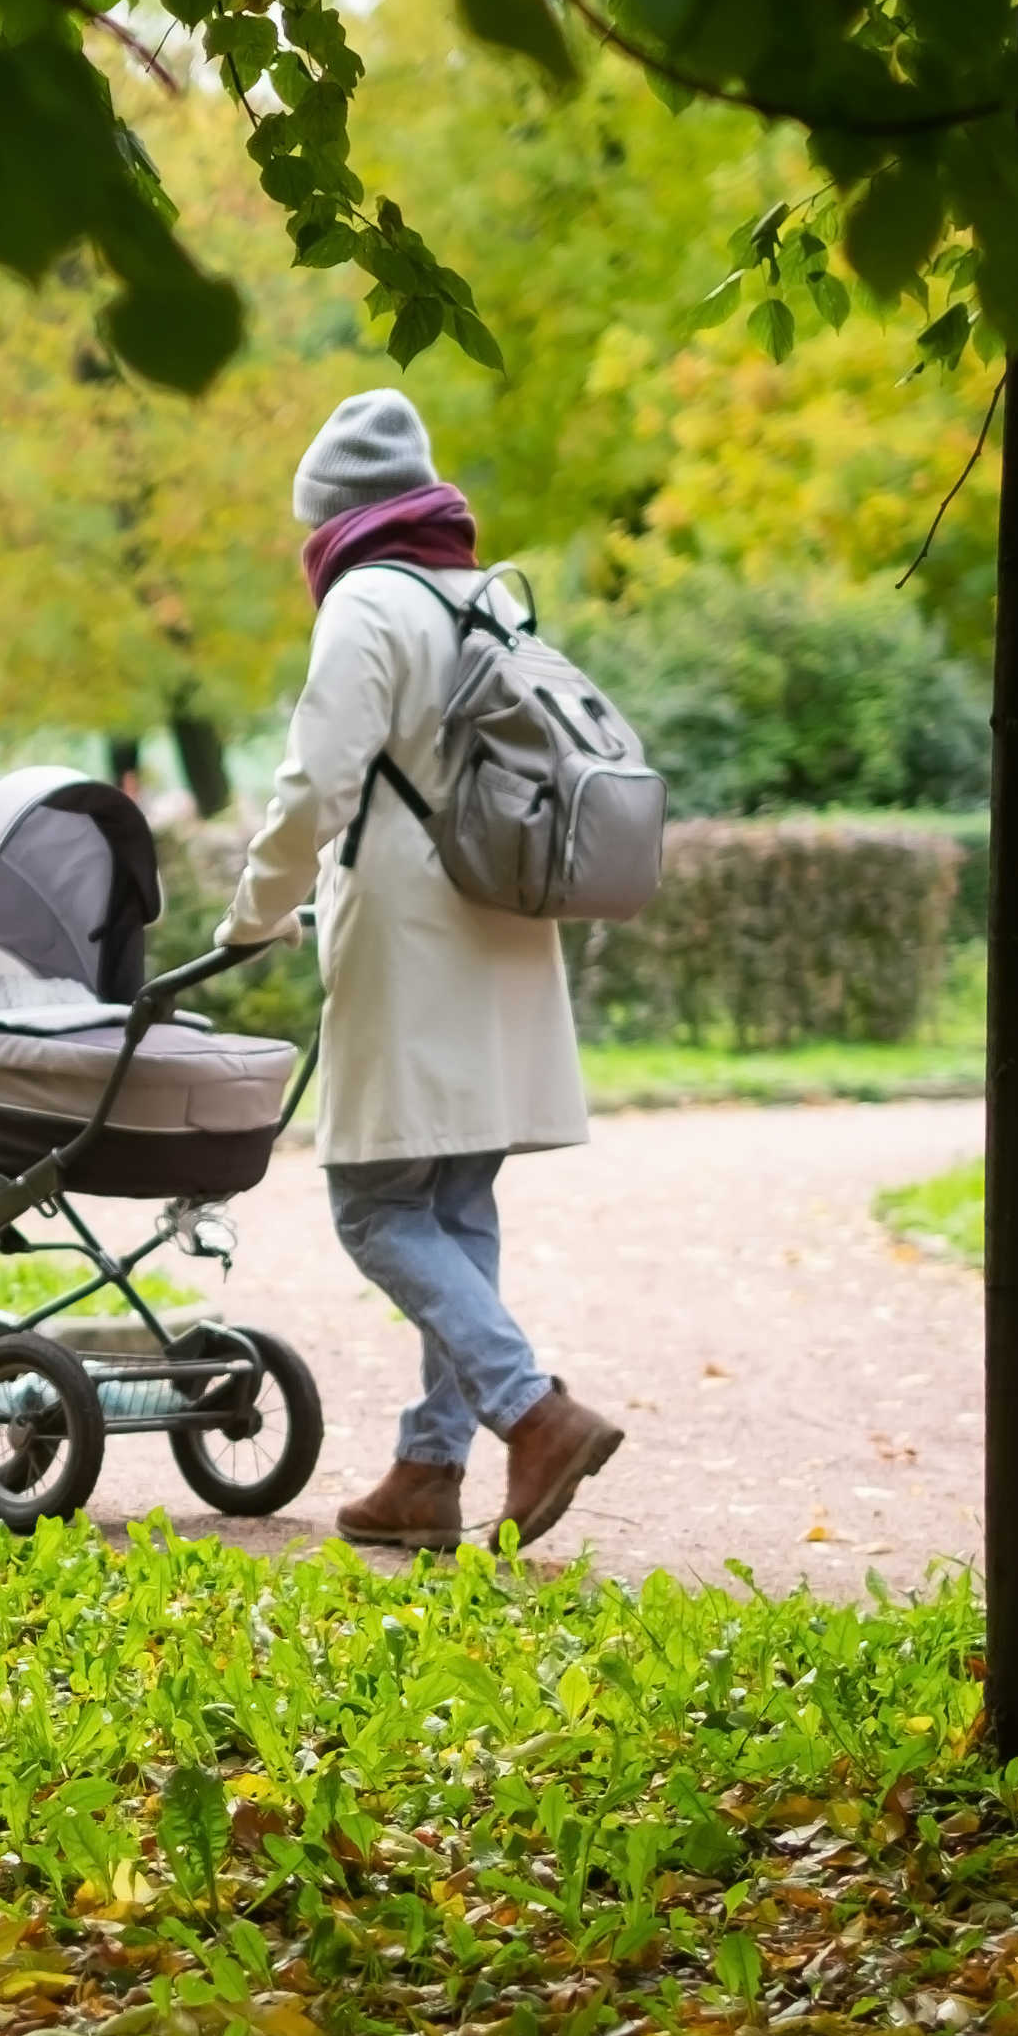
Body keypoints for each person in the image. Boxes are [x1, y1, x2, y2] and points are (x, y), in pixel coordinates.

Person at [221, 389, 625, 1551]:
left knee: (374, 1205)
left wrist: (255, 913)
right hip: (505, 925)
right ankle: (428, 1470)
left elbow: (315, 784)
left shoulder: (368, 603)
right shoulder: (486, 599)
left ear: (333, 519)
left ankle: (531, 1412)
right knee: (454, 1202)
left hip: (417, 940)